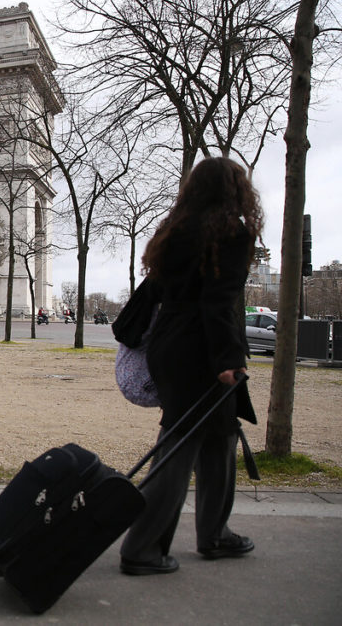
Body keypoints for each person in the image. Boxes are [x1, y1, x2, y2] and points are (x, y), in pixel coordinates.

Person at [119, 157, 262, 576]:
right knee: (178, 448)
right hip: (202, 350)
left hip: (170, 343)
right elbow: (219, 301)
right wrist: (228, 361)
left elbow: (157, 292)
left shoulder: (175, 230)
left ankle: (215, 533)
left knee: (219, 438)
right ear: (234, 190)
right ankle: (141, 548)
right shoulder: (230, 232)